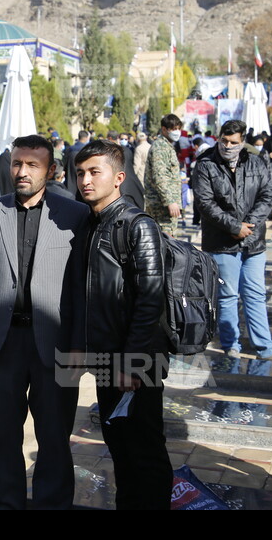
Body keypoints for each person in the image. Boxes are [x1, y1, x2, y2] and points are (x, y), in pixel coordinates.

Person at [0, 134, 90, 509]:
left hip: (56, 343)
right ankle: (4, 504)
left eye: (33, 165)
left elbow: (82, 287)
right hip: (1, 342)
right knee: (1, 437)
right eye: (17, 163)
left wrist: (80, 344)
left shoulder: (74, 215)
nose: (22, 171)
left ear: (50, 171)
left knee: (54, 437)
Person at [74, 139, 172, 509]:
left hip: (137, 360)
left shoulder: (136, 225)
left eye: (94, 172)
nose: (85, 180)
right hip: (106, 357)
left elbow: (150, 298)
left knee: (144, 448)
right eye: (81, 173)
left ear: (118, 177)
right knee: (120, 446)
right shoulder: (93, 223)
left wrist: (132, 360)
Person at [192, 119, 272, 361]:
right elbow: (205, 203)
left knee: (255, 293)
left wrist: (248, 225)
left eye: (233, 142)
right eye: (224, 140)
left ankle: (264, 346)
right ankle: (231, 343)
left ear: (242, 142)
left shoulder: (256, 161)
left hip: (253, 241)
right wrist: (233, 226)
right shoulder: (206, 164)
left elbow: (267, 194)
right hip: (221, 242)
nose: (227, 146)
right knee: (228, 295)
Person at [145, 114, 183, 236]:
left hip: (164, 205)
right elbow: (160, 176)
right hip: (161, 206)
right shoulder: (160, 147)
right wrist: (170, 201)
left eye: (178, 128)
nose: (177, 132)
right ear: (164, 129)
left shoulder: (167, 146)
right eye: (173, 129)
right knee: (166, 240)